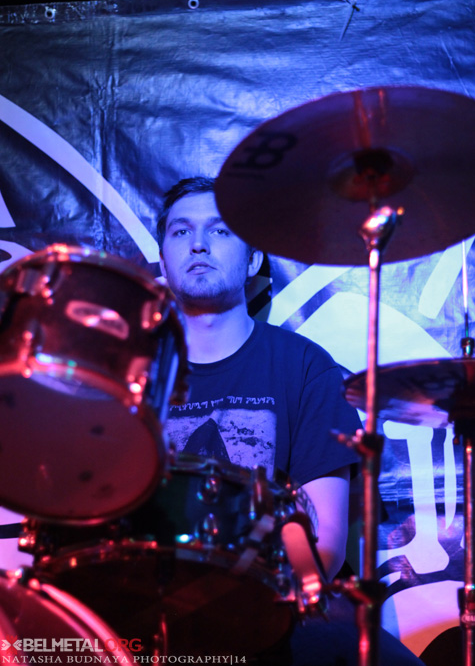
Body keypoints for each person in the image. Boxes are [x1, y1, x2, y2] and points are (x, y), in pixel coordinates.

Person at [156, 176, 424, 666]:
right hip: (152, 609)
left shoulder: (303, 366)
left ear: (253, 259)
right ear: (163, 258)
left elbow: (326, 547)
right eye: (181, 231)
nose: (198, 244)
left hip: (274, 608)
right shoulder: (133, 371)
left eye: (219, 230)